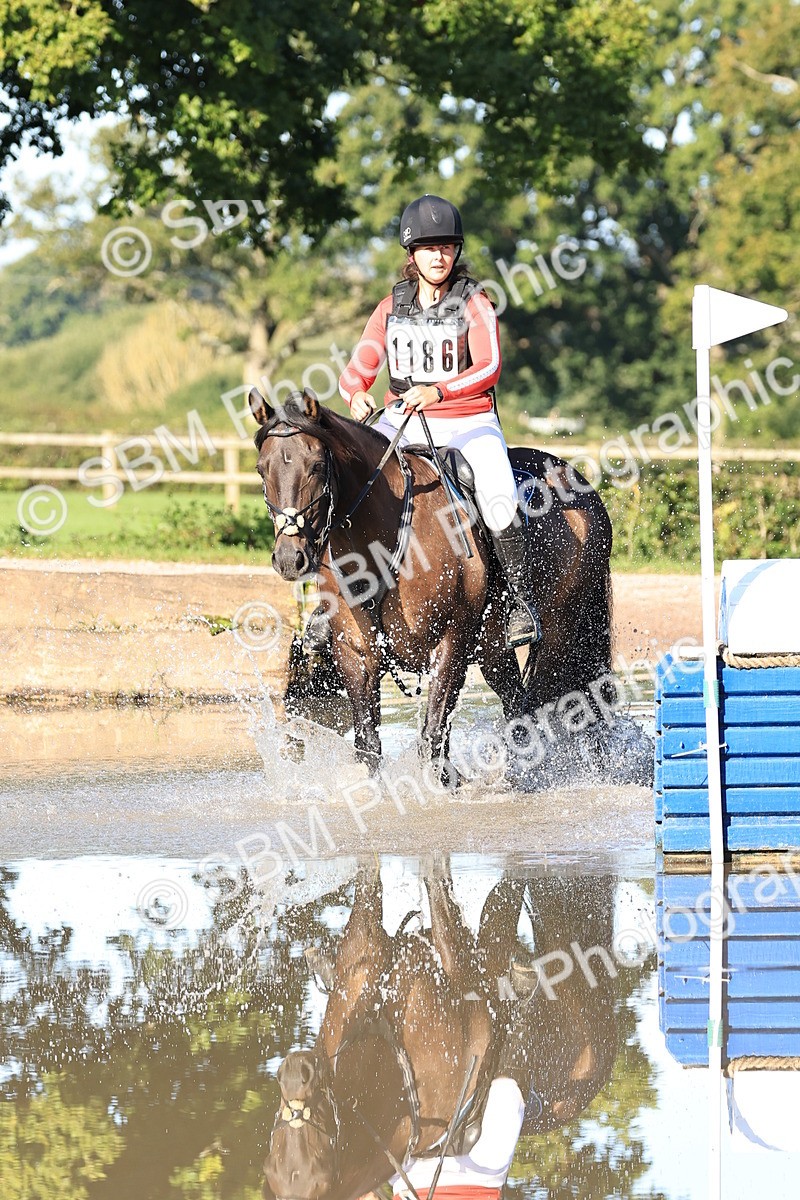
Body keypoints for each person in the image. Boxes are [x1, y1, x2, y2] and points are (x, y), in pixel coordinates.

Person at [337, 193, 541, 650]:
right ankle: (331, 599)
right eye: (430, 248)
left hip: (469, 421)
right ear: (412, 254)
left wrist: (440, 391)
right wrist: (355, 395)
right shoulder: (391, 306)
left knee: (499, 493)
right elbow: (359, 368)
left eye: (447, 247)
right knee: (351, 478)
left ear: (457, 251)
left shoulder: (476, 303)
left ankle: (520, 606)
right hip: (402, 419)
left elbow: (490, 368)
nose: (439, 256)